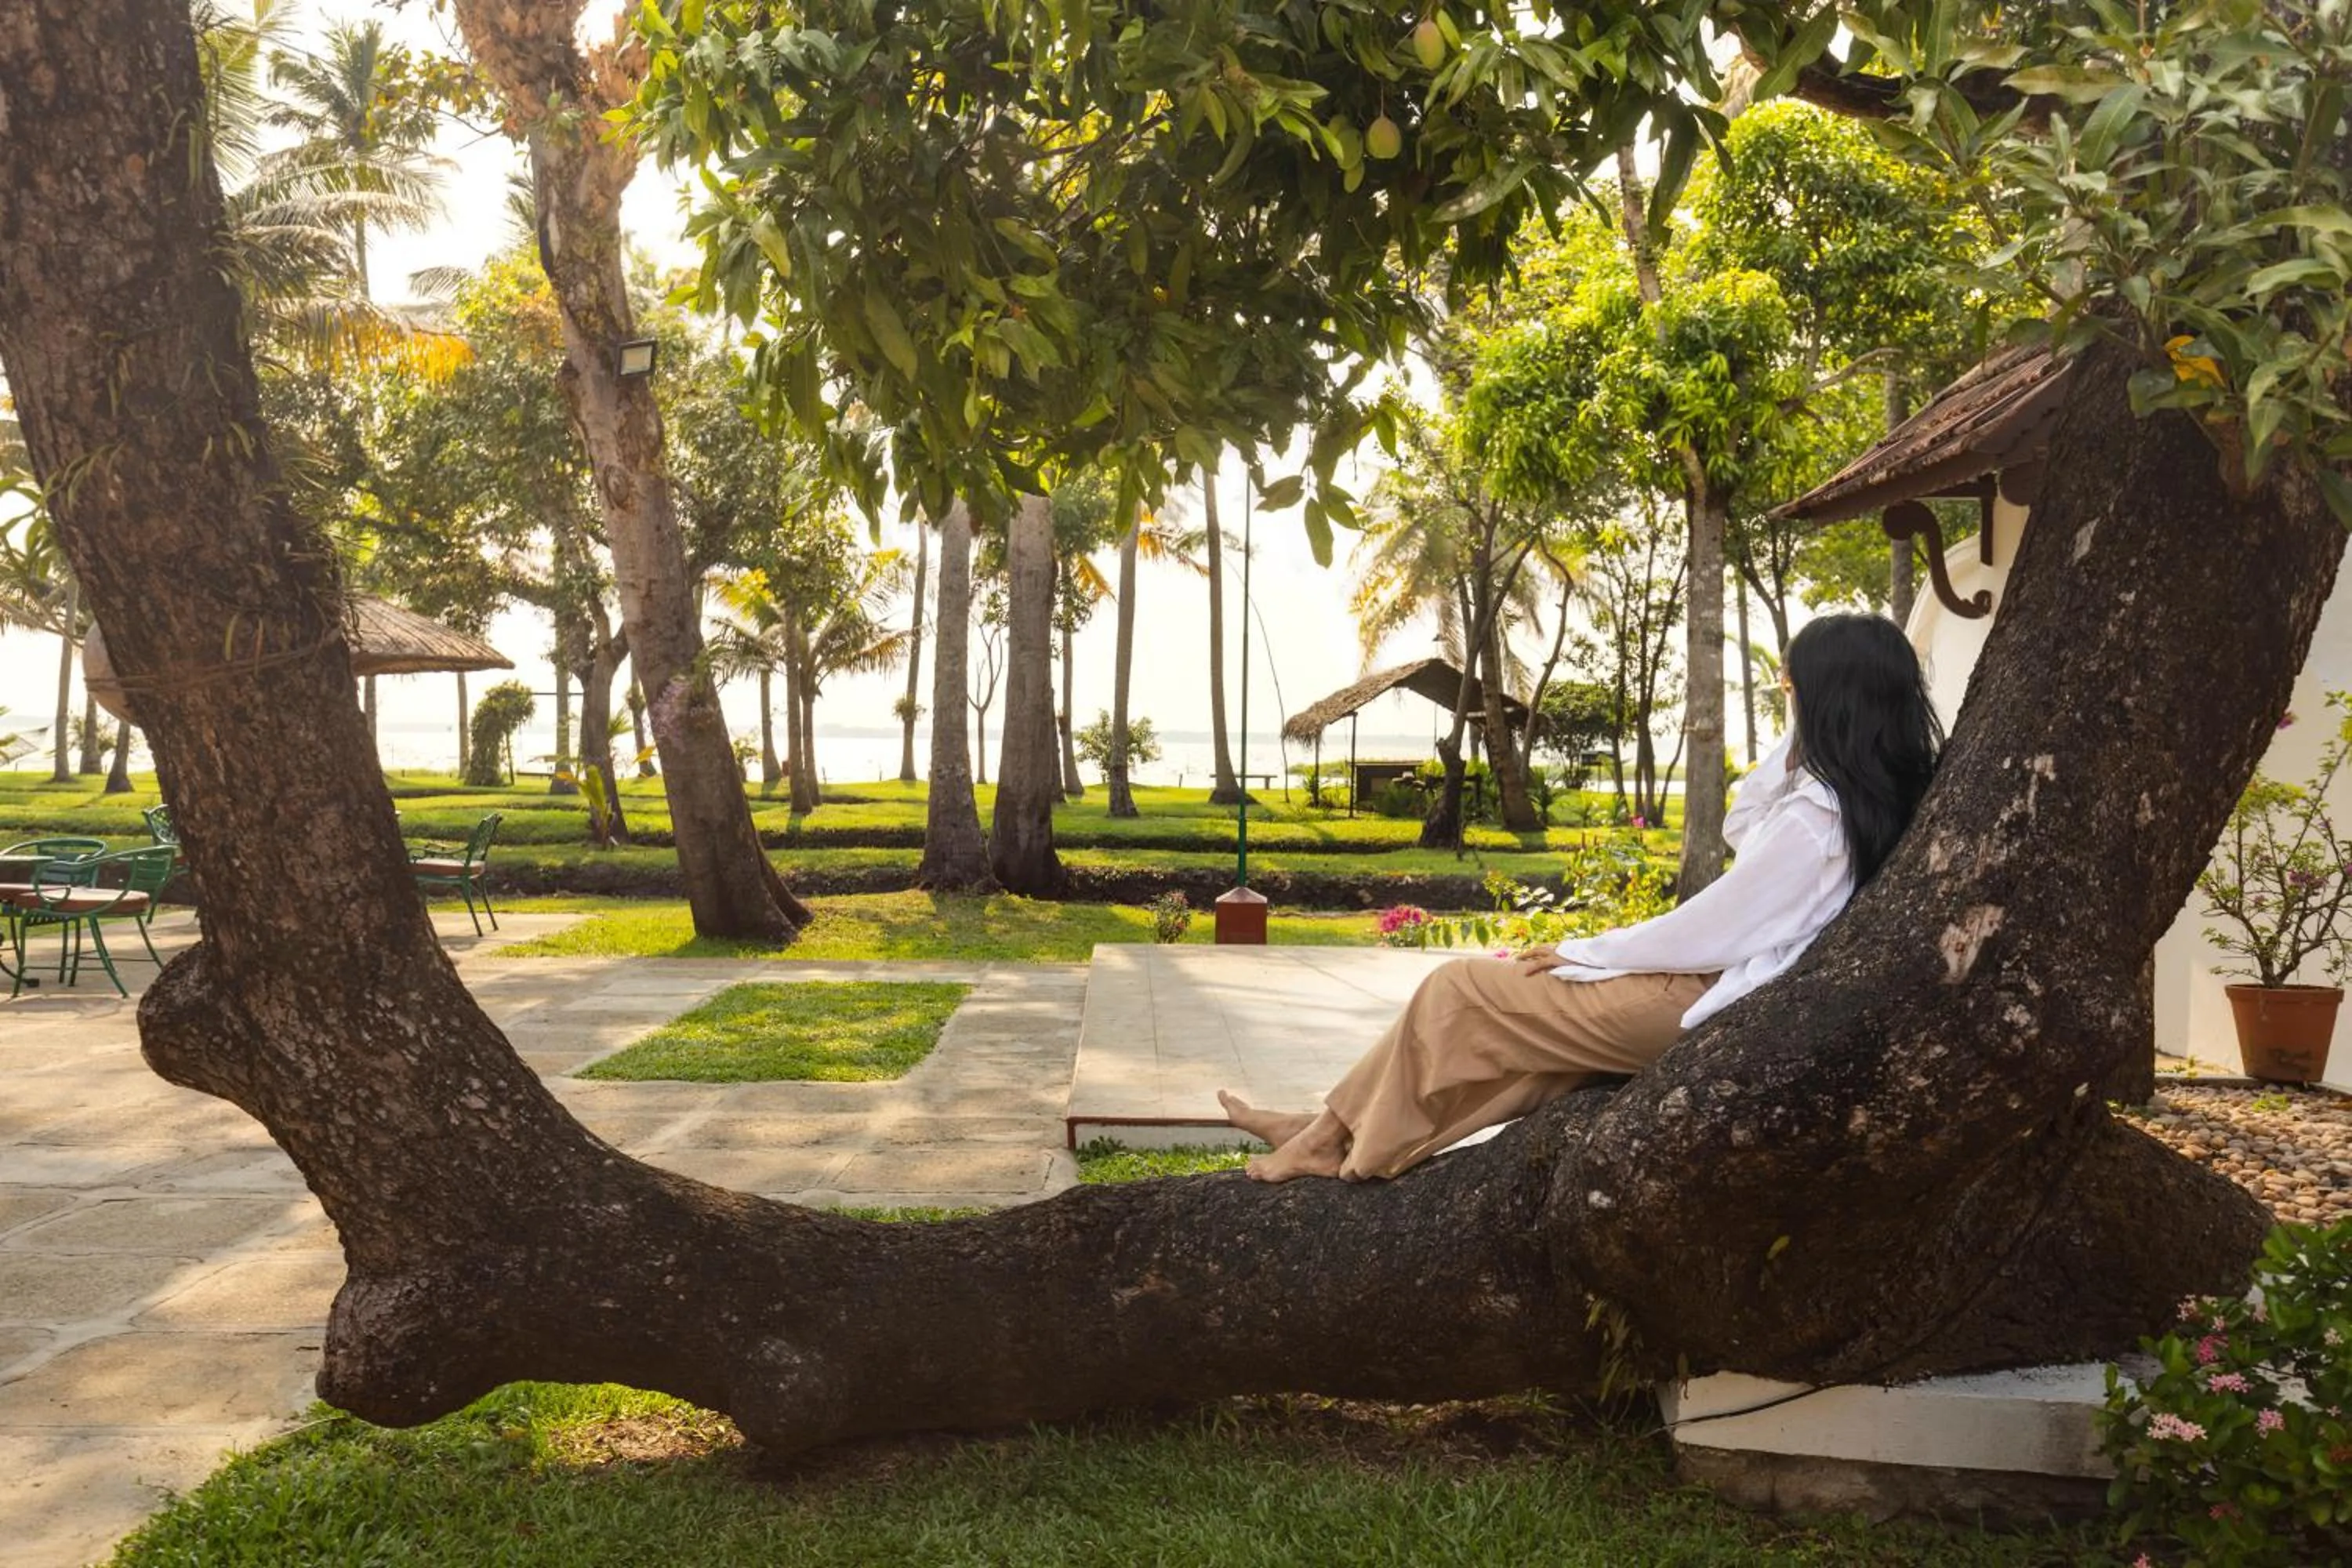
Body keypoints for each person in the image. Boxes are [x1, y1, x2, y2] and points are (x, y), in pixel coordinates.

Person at [1220, 612, 1944, 1183]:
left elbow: (1714, 926)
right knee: (1532, 1063)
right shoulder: (1847, 801)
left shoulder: (1815, 819)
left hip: (1701, 995)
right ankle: (1330, 1132)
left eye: (1791, 689)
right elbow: (1743, 821)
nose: (1784, 698)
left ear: (1829, 699)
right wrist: (1798, 733)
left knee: (1459, 990)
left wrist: (1583, 949)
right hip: (1720, 988)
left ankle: (1322, 1139)